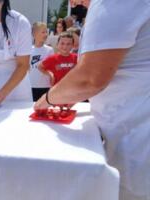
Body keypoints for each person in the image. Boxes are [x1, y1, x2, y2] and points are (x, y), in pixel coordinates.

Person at [34, 0, 150, 199]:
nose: (73, 2)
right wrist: (71, 95)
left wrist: (47, 99)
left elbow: (90, 79)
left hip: (137, 140)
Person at [29, 22, 55, 101]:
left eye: (46, 32)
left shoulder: (49, 50)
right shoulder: (28, 49)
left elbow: (52, 68)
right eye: (43, 32)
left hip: (45, 86)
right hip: (31, 86)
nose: (46, 34)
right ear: (34, 34)